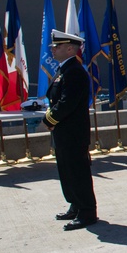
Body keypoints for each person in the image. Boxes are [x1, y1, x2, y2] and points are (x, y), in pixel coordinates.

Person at [45, 30, 99, 230]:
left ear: (69, 48)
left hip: (73, 133)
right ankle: (75, 205)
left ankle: (87, 212)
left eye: (56, 46)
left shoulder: (75, 71)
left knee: (78, 172)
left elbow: (67, 102)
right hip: (63, 132)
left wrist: (50, 118)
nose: (53, 49)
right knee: (67, 171)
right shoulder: (64, 69)